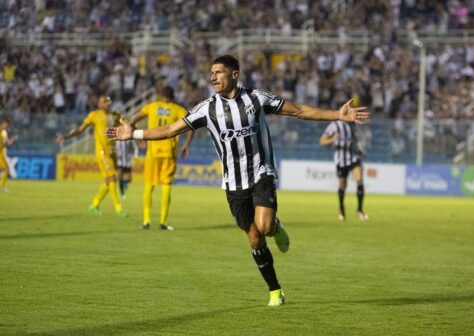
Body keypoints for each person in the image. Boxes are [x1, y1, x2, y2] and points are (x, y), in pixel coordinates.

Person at [106, 55, 370, 306]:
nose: (213, 77)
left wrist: (338, 114)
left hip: (260, 172)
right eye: (210, 73)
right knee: (254, 238)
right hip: (233, 184)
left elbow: (299, 110)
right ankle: (275, 291)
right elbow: (170, 129)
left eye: (218, 72)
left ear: (234, 74)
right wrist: (134, 133)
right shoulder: (206, 109)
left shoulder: (256, 98)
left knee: (264, 227)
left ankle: (275, 227)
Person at [129, 86, 194, 231]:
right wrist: (186, 145)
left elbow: (132, 120)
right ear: (173, 96)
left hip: (153, 152)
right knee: (166, 187)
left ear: (160, 95)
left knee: (149, 186)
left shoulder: (152, 107)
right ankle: (163, 222)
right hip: (169, 153)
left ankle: (146, 221)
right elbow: (191, 126)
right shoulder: (178, 110)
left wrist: (139, 137)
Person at [56, 95, 128, 218]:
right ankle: (118, 209)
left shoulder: (115, 115)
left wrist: (139, 136)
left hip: (113, 151)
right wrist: (66, 136)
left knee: (109, 180)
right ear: (99, 104)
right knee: (112, 178)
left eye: (108, 101)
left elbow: (127, 124)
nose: (107, 103)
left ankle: (94, 204)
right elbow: (80, 129)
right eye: (104, 101)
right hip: (102, 152)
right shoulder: (94, 115)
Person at [320, 120, 369, 222]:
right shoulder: (333, 126)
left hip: (353, 158)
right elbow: (322, 141)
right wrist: (333, 139)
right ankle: (341, 209)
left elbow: (355, 140)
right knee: (342, 186)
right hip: (341, 161)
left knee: (360, 181)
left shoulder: (351, 125)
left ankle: (360, 210)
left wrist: (360, 150)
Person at [0, 116, 17, 192]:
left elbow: (6, 143)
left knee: (3, 169)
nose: (8, 127)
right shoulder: (3, 132)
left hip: (2, 151)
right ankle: (2, 187)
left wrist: (10, 140)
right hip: (1, 152)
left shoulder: (3, 131)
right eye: (7, 125)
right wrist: (12, 140)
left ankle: (3, 186)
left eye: (9, 126)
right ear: (4, 123)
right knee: (6, 169)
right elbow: (5, 144)